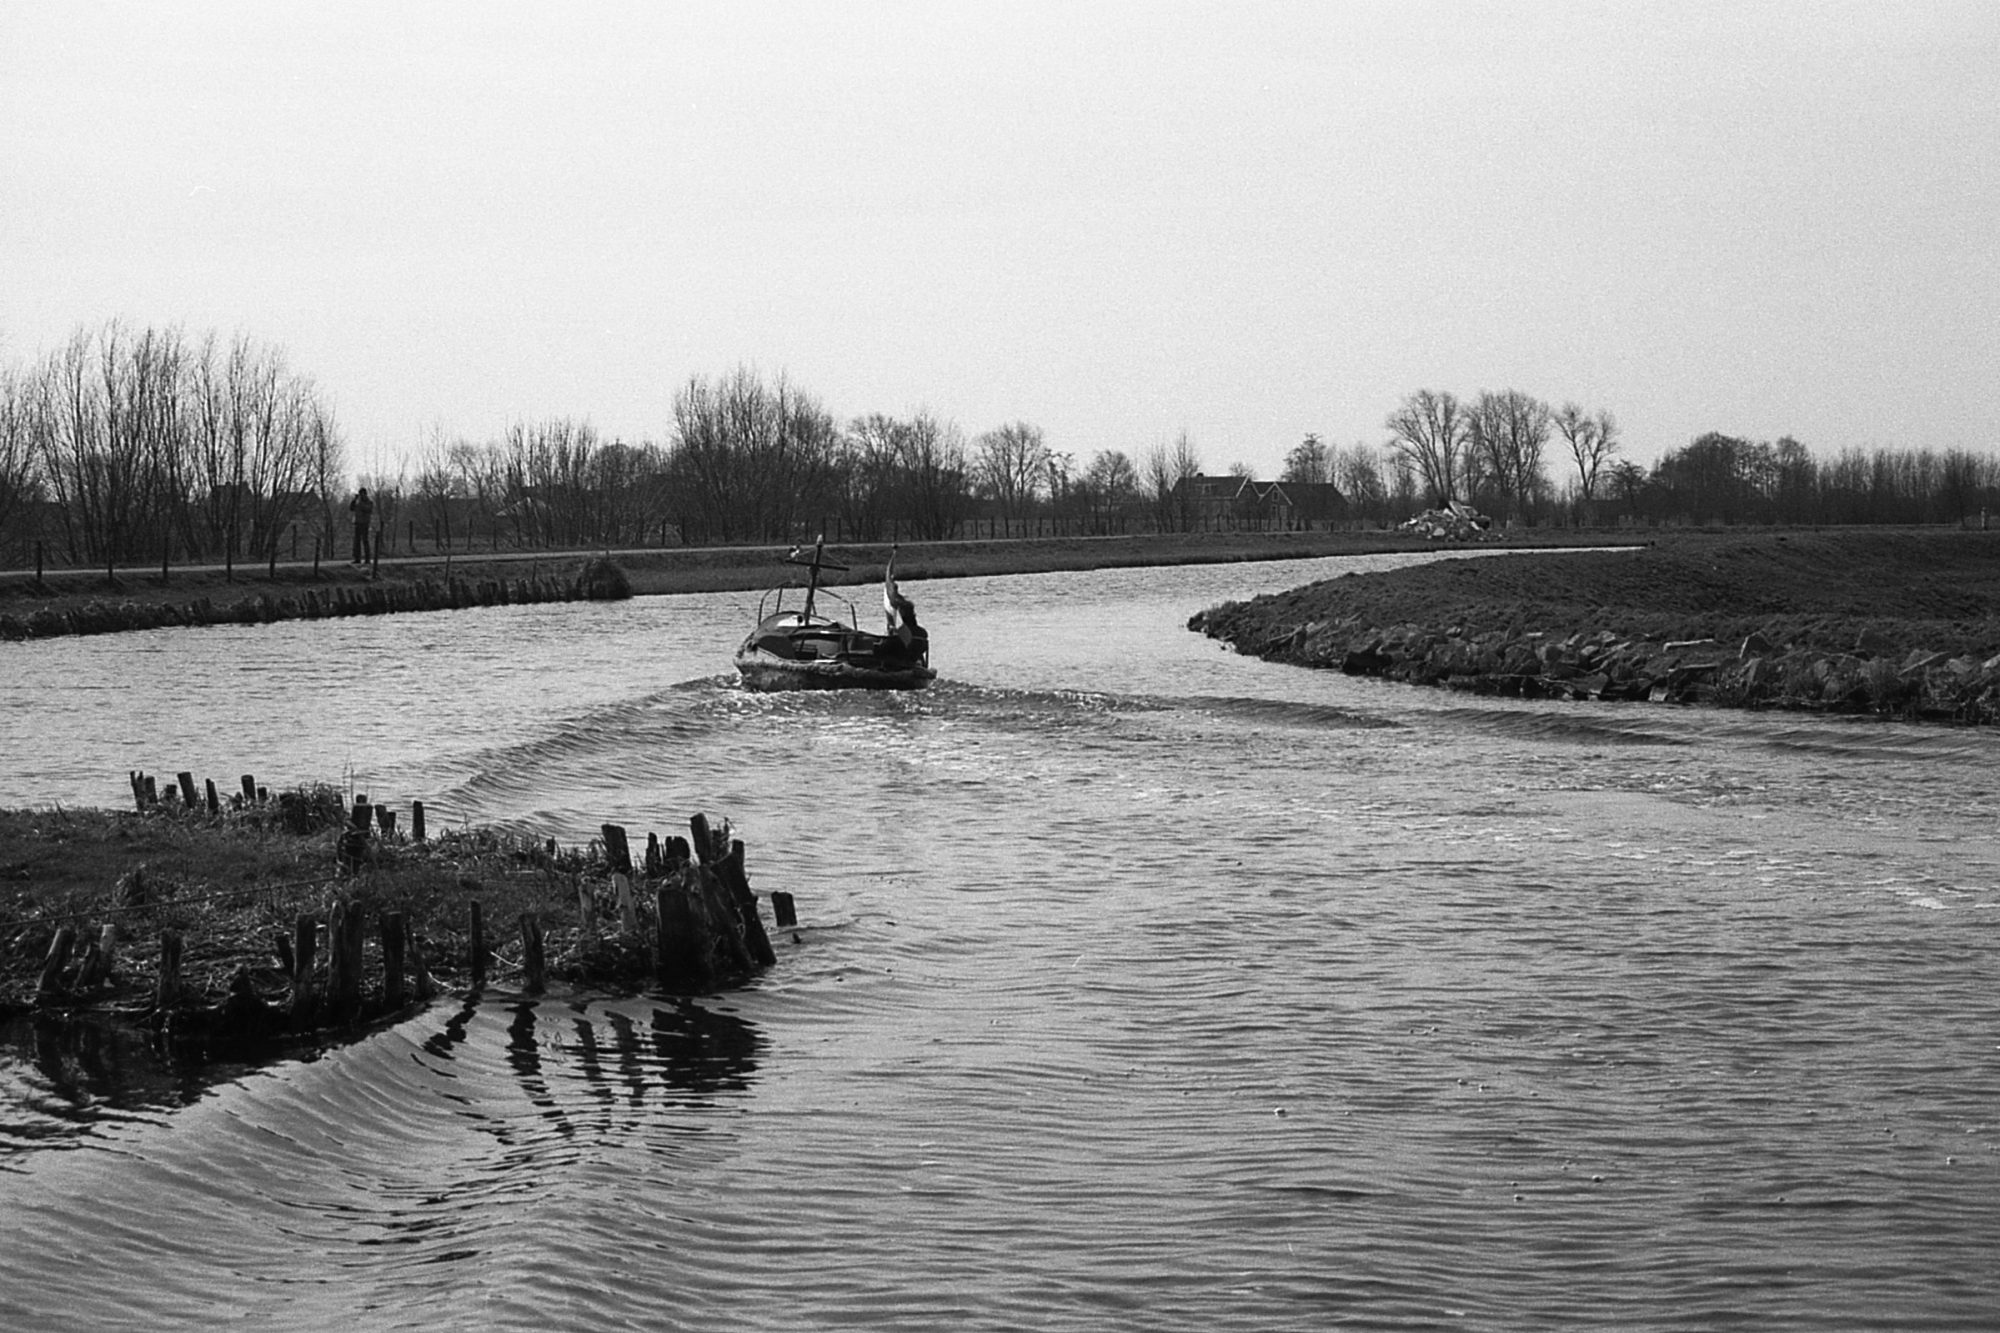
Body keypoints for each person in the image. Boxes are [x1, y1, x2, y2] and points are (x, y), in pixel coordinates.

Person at [349, 487, 373, 564]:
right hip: (358, 523)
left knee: (365, 541)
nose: (361, 496)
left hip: (365, 523)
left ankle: (367, 559)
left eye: (362, 494)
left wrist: (360, 503)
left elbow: (368, 509)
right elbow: (351, 508)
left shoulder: (368, 502)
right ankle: (357, 558)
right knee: (357, 542)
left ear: (365, 494)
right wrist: (354, 500)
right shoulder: (357, 502)